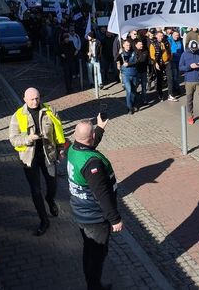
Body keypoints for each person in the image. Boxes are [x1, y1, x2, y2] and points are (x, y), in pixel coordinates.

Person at [68, 115, 122, 289]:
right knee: (97, 255)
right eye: (93, 135)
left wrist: (99, 128)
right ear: (90, 138)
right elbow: (102, 194)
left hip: (81, 212)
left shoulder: (74, 149)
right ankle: (94, 286)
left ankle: (92, 284)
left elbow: (88, 144)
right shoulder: (92, 164)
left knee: (89, 250)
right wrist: (115, 219)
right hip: (95, 218)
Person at [8, 87, 65, 236]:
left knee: (53, 184)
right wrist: (28, 138)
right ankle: (44, 220)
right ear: (24, 99)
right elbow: (13, 140)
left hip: (48, 155)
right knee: (35, 190)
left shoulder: (50, 110)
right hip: (29, 159)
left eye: (37, 98)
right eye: (32, 99)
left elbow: (59, 130)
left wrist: (60, 149)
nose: (35, 101)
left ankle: (50, 200)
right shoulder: (17, 116)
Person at [179, 40, 199, 127]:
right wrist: (189, 67)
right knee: (189, 99)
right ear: (189, 47)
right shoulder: (184, 54)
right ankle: (190, 116)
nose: (194, 50)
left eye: (195, 49)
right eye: (192, 49)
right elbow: (180, 67)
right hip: (189, 81)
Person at [149, 30, 176, 101]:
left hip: (167, 62)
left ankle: (170, 94)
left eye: (162, 36)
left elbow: (169, 51)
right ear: (156, 36)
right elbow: (152, 55)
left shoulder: (166, 42)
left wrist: (170, 58)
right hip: (158, 63)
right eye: (160, 36)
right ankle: (160, 94)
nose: (161, 37)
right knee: (159, 79)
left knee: (170, 78)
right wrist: (156, 63)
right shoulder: (153, 44)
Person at [117, 40, 138, 114]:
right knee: (128, 90)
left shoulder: (134, 52)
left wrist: (128, 63)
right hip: (125, 74)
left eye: (129, 45)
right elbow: (116, 59)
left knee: (133, 91)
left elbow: (136, 61)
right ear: (123, 45)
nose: (128, 46)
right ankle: (129, 108)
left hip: (134, 73)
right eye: (126, 45)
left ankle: (133, 104)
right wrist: (118, 54)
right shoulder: (122, 53)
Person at [168, 30, 184, 97]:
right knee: (174, 76)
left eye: (177, 35)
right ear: (172, 35)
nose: (176, 37)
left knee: (177, 75)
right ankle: (176, 89)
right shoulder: (169, 40)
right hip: (172, 60)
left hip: (179, 60)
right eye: (175, 35)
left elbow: (182, 50)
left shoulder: (180, 40)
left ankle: (176, 88)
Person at [134, 39, 150, 106]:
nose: (141, 45)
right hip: (136, 72)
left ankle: (144, 100)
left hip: (144, 71)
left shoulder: (145, 52)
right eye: (140, 44)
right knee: (135, 86)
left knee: (144, 86)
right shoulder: (134, 53)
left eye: (142, 44)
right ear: (136, 45)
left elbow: (148, 61)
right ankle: (134, 99)